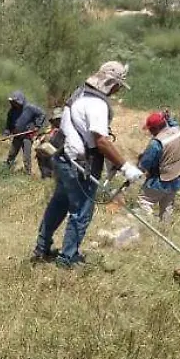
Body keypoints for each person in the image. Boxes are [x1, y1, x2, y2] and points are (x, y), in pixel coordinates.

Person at [32, 61, 144, 268]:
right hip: (81, 165)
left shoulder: (79, 94)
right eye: (118, 85)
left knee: (59, 203)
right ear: (111, 83)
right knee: (81, 211)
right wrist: (125, 167)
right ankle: (68, 258)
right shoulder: (98, 105)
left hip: (64, 157)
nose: (118, 90)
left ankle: (41, 247)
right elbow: (100, 140)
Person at [136, 110, 180, 225]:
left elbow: (145, 164)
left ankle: (149, 225)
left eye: (151, 129)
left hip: (161, 180)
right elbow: (173, 123)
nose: (150, 132)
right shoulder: (177, 131)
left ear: (155, 128)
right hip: (177, 177)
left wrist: (136, 169)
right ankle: (164, 229)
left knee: (144, 201)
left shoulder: (156, 143)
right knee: (167, 205)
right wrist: (168, 117)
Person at [3, 91, 46, 176]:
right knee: (12, 153)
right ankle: (6, 170)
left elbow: (42, 114)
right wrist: (6, 133)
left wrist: (37, 126)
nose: (14, 104)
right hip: (17, 135)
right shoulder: (12, 111)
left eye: (15, 102)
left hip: (27, 136)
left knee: (26, 156)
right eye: (13, 102)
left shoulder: (30, 108)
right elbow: (8, 124)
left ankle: (27, 173)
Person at [33, 107, 63, 179]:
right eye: (57, 119)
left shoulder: (66, 130)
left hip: (59, 157)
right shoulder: (47, 130)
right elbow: (37, 143)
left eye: (60, 119)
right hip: (45, 158)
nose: (58, 121)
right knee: (46, 175)